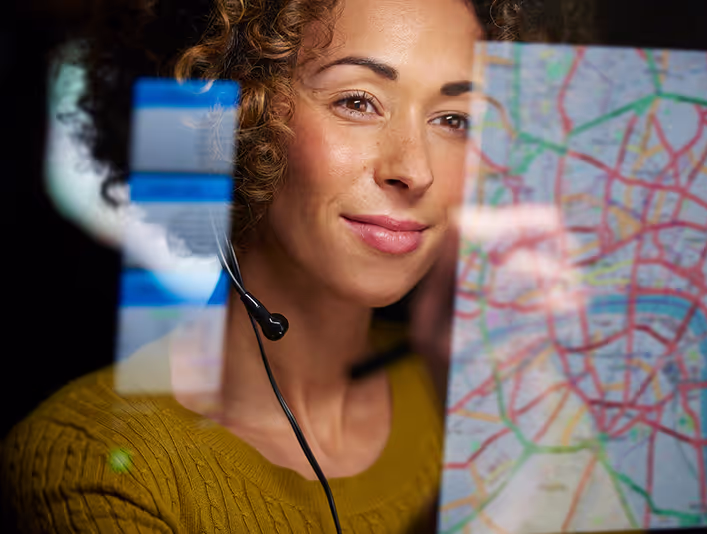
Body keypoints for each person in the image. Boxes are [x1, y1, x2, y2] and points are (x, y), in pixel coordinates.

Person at [1, 0, 595, 532]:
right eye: (357, 101)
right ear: (232, 122)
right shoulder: (95, 462)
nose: (415, 170)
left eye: (455, 119)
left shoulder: (505, 397)